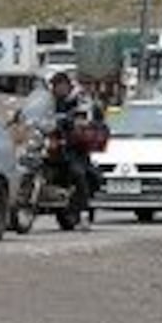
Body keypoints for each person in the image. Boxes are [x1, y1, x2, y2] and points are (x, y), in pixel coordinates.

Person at [50, 72, 103, 228]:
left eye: (59, 85)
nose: (56, 89)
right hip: (54, 142)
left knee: (77, 172)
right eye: (54, 86)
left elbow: (85, 115)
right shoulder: (51, 101)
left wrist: (75, 118)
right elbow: (40, 113)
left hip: (74, 145)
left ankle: (84, 213)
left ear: (67, 85)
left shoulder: (79, 98)